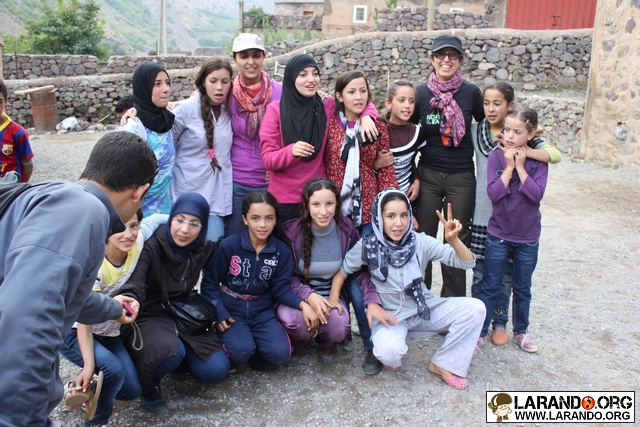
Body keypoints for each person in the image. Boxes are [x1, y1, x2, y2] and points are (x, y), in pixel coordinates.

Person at [0, 131, 156, 427]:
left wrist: (113, 308)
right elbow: (27, 318)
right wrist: (19, 419)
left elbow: (65, 295)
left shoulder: (61, 197)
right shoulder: (82, 211)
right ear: (139, 191)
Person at [331, 189, 485, 389]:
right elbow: (343, 271)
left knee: (476, 308)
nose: (399, 223)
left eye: (404, 215)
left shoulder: (420, 241)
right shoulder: (367, 245)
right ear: (379, 218)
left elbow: (466, 263)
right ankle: (392, 349)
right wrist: (333, 299)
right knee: (389, 353)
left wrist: (454, 240)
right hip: (391, 317)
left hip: (423, 311)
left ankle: (443, 364)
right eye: (390, 216)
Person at [117, 193, 230, 413]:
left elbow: (227, 247)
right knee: (169, 351)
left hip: (183, 311)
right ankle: (149, 387)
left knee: (216, 369)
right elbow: (136, 283)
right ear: (170, 218)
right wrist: (131, 301)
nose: (184, 230)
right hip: (148, 313)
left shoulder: (201, 248)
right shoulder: (151, 246)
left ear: (203, 227)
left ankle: (175, 364)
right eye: (179, 220)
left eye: (194, 223)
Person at [470, 82, 561, 347]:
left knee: (522, 286)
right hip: (498, 232)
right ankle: (480, 332)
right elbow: (494, 194)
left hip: (527, 235)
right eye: (507, 130)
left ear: (531, 134)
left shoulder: (539, 159)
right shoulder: (497, 156)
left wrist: (521, 167)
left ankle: (520, 331)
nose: (509, 136)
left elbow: (535, 195)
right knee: (490, 282)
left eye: (517, 132)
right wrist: (509, 168)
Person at [60, 210, 167, 427]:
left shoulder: (136, 243)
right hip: (75, 331)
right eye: (119, 228)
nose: (128, 234)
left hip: (108, 332)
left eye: (134, 226)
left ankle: (83, 389)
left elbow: (157, 219)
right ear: (106, 231)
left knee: (131, 390)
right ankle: (96, 421)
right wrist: (89, 365)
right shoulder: (95, 265)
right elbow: (84, 319)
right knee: (113, 370)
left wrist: (187, 222)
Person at [323, 70, 397, 373]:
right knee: (331, 273)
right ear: (339, 96)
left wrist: (393, 212)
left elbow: (386, 170)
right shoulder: (329, 121)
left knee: (361, 280)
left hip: (366, 214)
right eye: (351, 91)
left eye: (363, 91)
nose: (358, 97)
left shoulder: (378, 126)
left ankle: (370, 345)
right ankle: (334, 334)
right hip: (334, 215)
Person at [201, 191, 317, 371]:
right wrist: (219, 312)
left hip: (262, 312)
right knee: (240, 350)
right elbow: (209, 283)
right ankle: (238, 351)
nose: (262, 225)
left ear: (275, 219)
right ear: (245, 219)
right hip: (231, 312)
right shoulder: (229, 246)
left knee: (280, 354)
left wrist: (303, 304)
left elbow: (281, 289)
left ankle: (251, 355)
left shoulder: (281, 251)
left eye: (269, 218)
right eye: (255, 218)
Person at [260, 55, 379, 223]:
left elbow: (357, 101)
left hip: (317, 198)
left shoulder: (326, 106)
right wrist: (291, 151)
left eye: (315, 73)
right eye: (303, 74)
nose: (311, 79)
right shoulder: (275, 110)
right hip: (285, 201)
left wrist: (367, 117)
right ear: (291, 78)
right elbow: (268, 159)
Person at [277, 178, 382, 365]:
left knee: (339, 327)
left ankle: (327, 343)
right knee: (296, 323)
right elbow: (287, 278)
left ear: (337, 204)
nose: (323, 212)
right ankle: (297, 342)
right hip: (298, 297)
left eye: (329, 204)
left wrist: (372, 299)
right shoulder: (291, 232)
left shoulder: (346, 229)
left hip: (331, 296)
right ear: (306, 205)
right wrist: (309, 297)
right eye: (316, 205)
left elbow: (359, 270)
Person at [412, 34, 484, 297]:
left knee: (456, 238)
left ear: (460, 60)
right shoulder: (420, 94)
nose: (446, 59)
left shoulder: (471, 93)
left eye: (452, 55)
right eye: (440, 54)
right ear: (432, 59)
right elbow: (403, 127)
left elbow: (489, 124)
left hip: (461, 178)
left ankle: (453, 303)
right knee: (424, 239)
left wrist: (529, 136)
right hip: (428, 175)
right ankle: (420, 299)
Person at [171, 57, 234, 241]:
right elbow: (167, 146)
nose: (219, 87)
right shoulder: (186, 109)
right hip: (187, 193)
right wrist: (134, 110)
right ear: (203, 82)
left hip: (216, 197)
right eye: (213, 81)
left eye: (225, 81)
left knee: (213, 249)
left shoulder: (229, 111)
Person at [227, 33, 282, 235]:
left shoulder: (281, 92)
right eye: (244, 56)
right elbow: (195, 104)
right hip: (236, 181)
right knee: (234, 240)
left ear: (264, 57)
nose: (251, 61)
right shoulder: (226, 93)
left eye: (256, 55)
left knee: (268, 241)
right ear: (235, 59)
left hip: (271, 182)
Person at [120, 63, 175, 216]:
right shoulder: (133, 128)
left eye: (167, 83)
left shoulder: (167, 120)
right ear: (143, 88)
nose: (166, 89)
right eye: (157, 84)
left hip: (166, 215)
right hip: (140, 219)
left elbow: (194, 103)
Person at [377, 80, 426, 200]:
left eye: (411, 101)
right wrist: (376, 164)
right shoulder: (378, 131)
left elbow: (414, 161)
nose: (407, 105)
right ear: (388, 103)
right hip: (381, 197)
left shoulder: (418, 133)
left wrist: (417, 180)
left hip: (407, 196)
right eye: (401, 100)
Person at [0, 79, 34, 182]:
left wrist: (20, 187)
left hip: (11, 189)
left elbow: (27, 164)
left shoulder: (18, 133)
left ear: (6, 101)